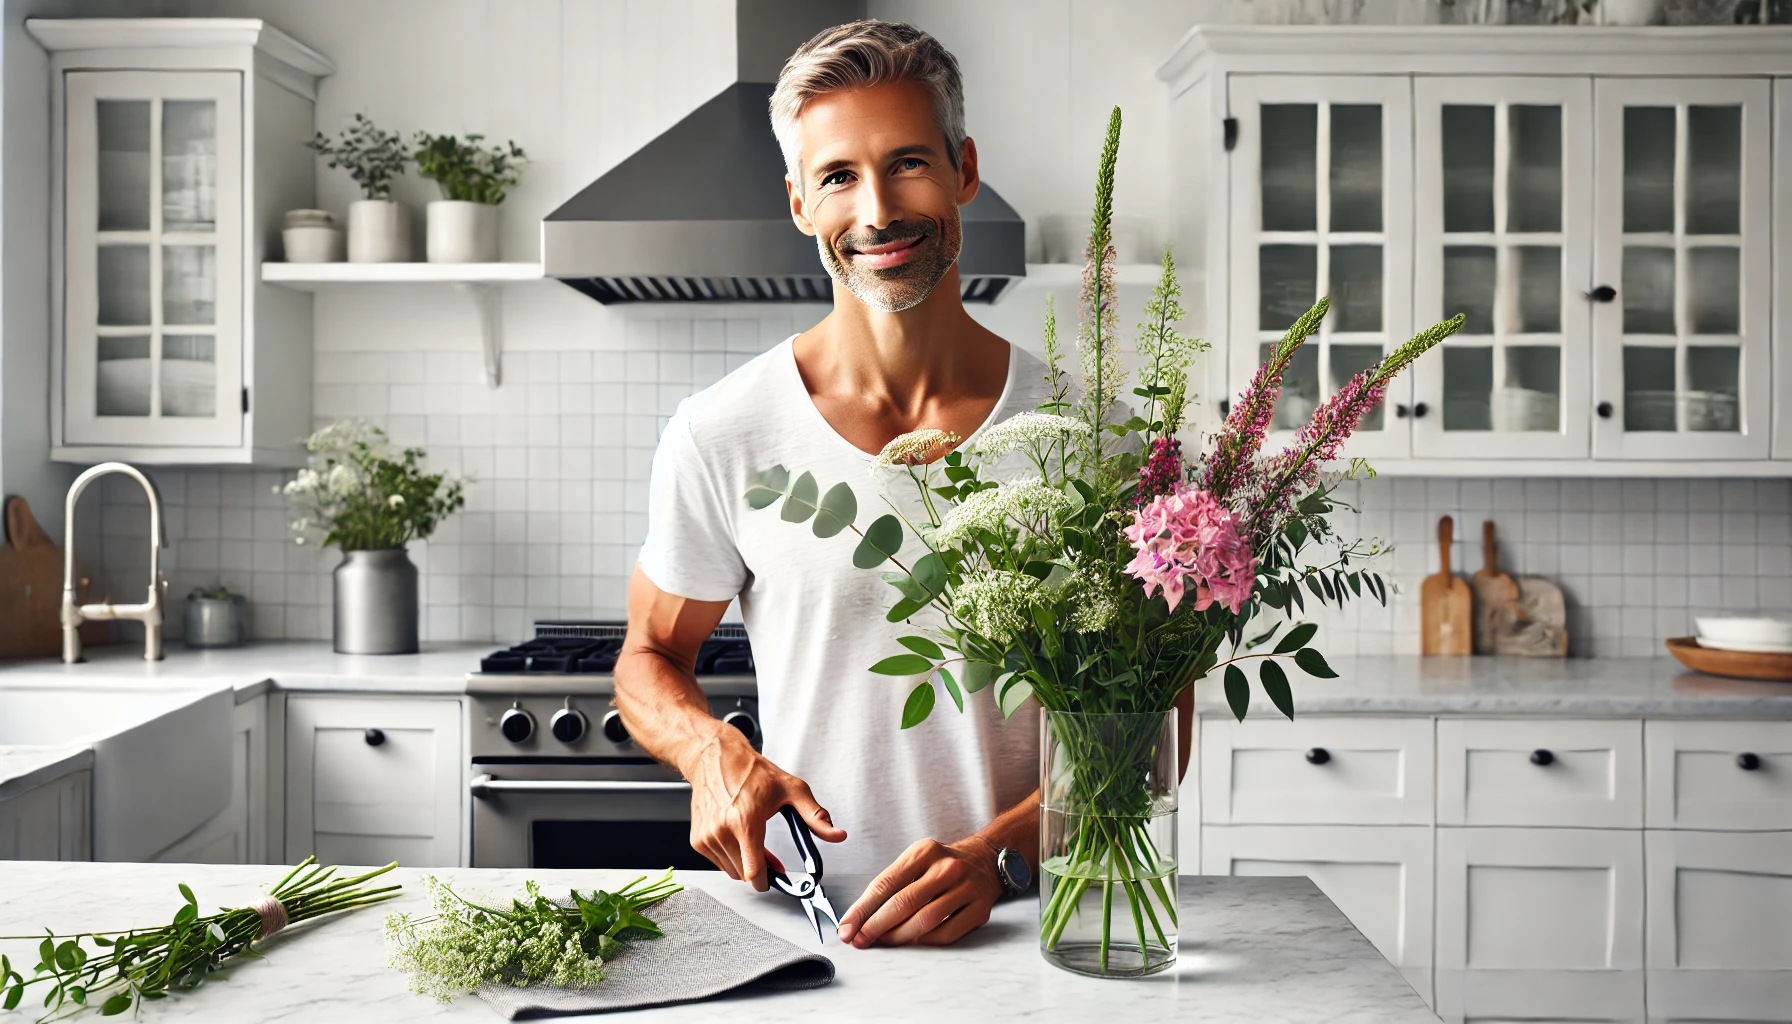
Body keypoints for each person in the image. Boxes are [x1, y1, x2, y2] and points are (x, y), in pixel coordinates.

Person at [616, 20, 1048, 949]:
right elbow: (648, 658)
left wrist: (1001, 854)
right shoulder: (721, 432)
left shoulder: (1087, 431)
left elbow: (1157, 728)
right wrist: (711, 751)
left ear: (964, 168)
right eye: (839, 176)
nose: (878, 210)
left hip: (1047, 928)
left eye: (908, 164)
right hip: (815, 934)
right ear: (800, 203)